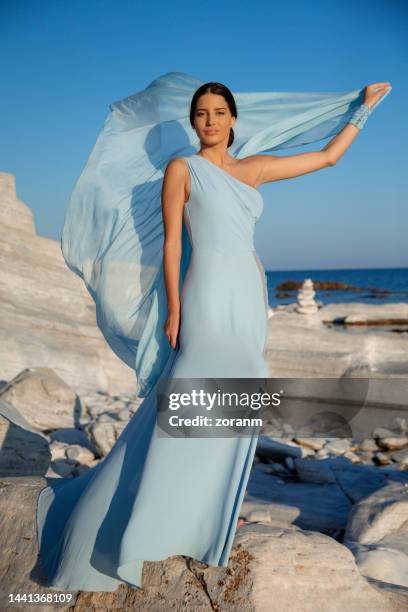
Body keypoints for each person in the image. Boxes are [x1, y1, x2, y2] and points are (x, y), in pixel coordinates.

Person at [33, 73, 391, 592]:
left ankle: (203, 523)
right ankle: (136, 530)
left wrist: (362, 108)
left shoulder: (254, 169)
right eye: (201, 113)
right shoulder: (183, 169)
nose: (209, 121)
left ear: (233, 119)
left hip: (248, 295)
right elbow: (173, 245)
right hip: (203, 295)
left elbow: (328, 157)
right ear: (193, 121)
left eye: (218, 113)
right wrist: (174, 310)